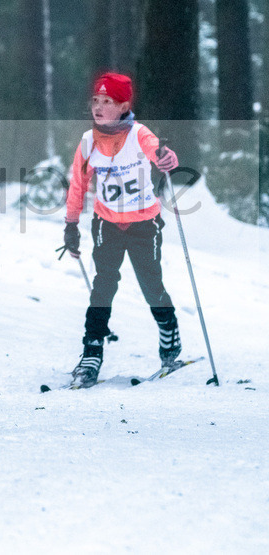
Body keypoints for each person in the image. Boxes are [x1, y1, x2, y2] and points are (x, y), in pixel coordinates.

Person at [60, 72, 181, 387]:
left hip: (144, 224)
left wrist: (166, 158)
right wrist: (71, 225)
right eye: (95, 101)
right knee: (104, 286)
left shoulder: (139, 134)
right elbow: (78, 185)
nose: (98, 107)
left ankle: (169, 329)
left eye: (107, 102)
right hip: (107, 224)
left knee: (150, 284)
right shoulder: (88, 142)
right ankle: (92, 351)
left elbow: (158, 151)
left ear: (124, 106)